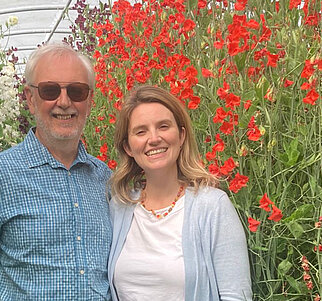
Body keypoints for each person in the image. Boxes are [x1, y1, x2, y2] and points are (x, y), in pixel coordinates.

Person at [0, 43, 112, 300]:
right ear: (30, 98)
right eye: (50, 90)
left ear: (90, 100)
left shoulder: (104, 178)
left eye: (77, 91)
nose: (64, 102)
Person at [108, 86, 252, 301]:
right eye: (141, 131)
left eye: (163, 126)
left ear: (181, 135)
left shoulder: (212, 206)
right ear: (128, 147)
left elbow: (236, 296)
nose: (154, 138)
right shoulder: (120, 207)